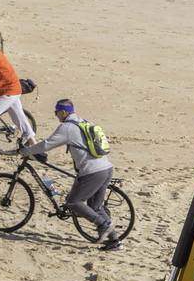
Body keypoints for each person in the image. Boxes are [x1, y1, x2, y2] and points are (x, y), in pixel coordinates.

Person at [20, 99, 120, 249]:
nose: (56, 116)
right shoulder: (85, 122)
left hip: (92, 172)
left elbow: (47, 145)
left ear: (63, 112)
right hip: (106, 168)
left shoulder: (67, 127)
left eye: (56, 112)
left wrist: (26, 151)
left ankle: (103, 224)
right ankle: (114, 241)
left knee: (73, 202)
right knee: (96, 207)